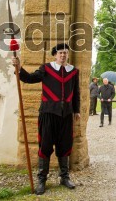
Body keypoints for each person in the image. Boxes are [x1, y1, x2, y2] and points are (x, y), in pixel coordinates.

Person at [12, 43, 80, 195]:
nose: (63, 55)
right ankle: (41, 180)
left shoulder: (74, 71)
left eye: (65, 53)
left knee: (65, 145)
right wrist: (19, 67)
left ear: (67, 55)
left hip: (66, 115)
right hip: (48, 113)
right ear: (55, 55)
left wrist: (76, 110)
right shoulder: (46, 69)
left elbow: (76, 92)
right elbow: (29, 78)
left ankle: (64, 177)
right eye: (60, 53)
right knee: (45, 146)